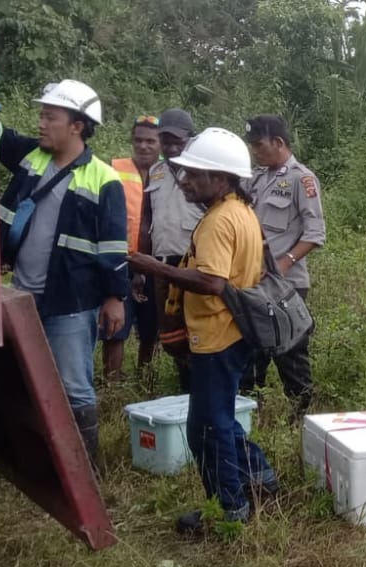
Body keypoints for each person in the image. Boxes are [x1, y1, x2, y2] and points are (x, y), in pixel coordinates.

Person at [128, 127, 278, 536]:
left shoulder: (219, 220)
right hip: (231, 332)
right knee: (221, 418)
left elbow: (212, 282)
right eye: (187, 173)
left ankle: (228, 511)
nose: (187, 181)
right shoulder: (240, 211)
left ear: (222, 178)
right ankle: (259, 477)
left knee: (206, 429)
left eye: (196, 174)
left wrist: (151, 266)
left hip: (217, 335)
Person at [0, 79, 128, 472]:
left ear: (78, 125)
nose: (41, 122)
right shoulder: (30, 158)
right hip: (24, 294)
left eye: (50, 116)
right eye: (41, 115)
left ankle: (85, 470)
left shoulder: (104, 179)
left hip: (71, 301)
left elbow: (113, 246)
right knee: (24, 379)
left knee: (73, 386)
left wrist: (115, 296)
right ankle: (39, 465)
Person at [241, 115, 325, 417]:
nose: (255, 151)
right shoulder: (257, 178)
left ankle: (301, 419)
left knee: (290, 354)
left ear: (278, 142)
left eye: (259, 145)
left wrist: (282, 264)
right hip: (253, 282)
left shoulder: (302, 180)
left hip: (286, 285)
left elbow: (315, 234)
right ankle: (251, 415)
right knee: (252, 355)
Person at [140, 108, 203, 392]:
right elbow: (147, 220)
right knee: (172, 332)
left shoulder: (204, 172)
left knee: (198, 329)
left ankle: (201, 386)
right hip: (162, 264)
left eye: (177, 139)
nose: (171, 145)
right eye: (165, 140)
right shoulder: (156, 172)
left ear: (191, 138)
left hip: (195, 265)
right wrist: (141, 267)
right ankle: (185, 386)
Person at [101, 115, 161, 380]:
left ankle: (145, 378)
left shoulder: (170, 175)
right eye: (138, 140)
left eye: (150, 141)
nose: (144, 146)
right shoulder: (113, 169)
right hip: (121, 260)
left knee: (152, 326)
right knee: (115, 324)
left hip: (158, 264)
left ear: (160, 144)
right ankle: (112, 381)